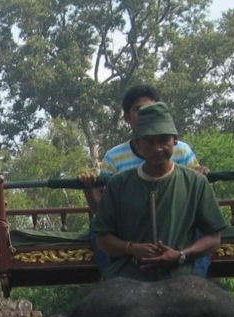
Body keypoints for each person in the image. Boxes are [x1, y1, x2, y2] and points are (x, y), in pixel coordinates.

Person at [80, 84, 211, 277]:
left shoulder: (183, 154)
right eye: (149, 143)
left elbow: (198, 201)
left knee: (201, 226)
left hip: (177, 227)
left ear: (173, 140)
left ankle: (196, 278)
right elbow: (103, 214)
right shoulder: (115, 159)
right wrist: (88, 188)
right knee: (98, 229)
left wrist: (181, 256)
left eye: (163, 141)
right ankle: (111, 278)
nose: (157, 150)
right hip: (130, 226)